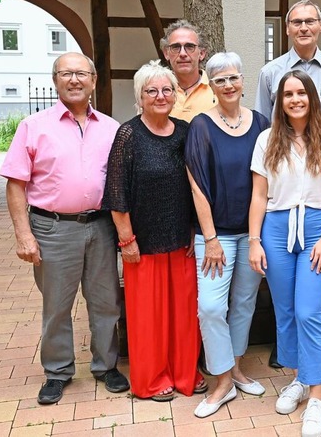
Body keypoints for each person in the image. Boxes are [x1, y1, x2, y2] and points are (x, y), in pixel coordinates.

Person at [0, 52, 129, 405]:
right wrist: (23, 234)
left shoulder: (112, 128)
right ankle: (58, 371)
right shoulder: (34, 126)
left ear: (94, 80)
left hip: (101, 227)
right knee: (57, 305)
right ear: (55, 80)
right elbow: (15, 184)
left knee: (106, 302)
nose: (74, 80)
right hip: (53, 229)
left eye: (81, 73)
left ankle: (106, 366)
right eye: (66, 73)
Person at [249, 70, 321, 437]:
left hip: (316, 228)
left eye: (300, 93)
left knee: (309, 312)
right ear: (279, 101)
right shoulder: (266, 140)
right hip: (276, 227)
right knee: (286, 310)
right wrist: (254, 240)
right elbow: (259, 196)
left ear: (311, 97)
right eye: (287, 94)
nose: (294, 99)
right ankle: (299, 380)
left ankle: (317, 396)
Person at [102, 60, 203, 401]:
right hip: (142, 244)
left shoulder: (185, 132)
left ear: (175, 95)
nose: (160, 96)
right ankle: (153, 379)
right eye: (151, 91)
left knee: (185, 314)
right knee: (149, 317)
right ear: (140, 97)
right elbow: (116, 193)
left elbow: (195, 188)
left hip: (181, 240)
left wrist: (194, 230)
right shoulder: (128, 135)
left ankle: (186, 372)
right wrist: (126, 240)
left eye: (166, 90)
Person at [185, 52, 270, 418]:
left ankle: (235, 369)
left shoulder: (262, 125)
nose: (229, 85)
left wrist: (258, 236)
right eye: (220, 80)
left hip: (252, 234)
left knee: (245, 304)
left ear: (243, 80)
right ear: (211, 85)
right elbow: (197, 185)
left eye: (233, 77)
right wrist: (211, 237)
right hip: (215, 237)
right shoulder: (201, 126)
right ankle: (221, 380)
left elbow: (268, 183)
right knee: (211, 307)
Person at [255, 0, 321, 132]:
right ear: (287, 29)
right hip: (283, 151)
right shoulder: (269, 73)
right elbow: (262, 124)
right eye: (297, 22)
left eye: (310, 21)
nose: (303, 28)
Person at [160, 19, 216, 122]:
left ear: (202, 53)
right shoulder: (157, 93)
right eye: (176, 47)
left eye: (190, 47)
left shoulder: (216, 90)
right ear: (166, 53)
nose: (182, 54)